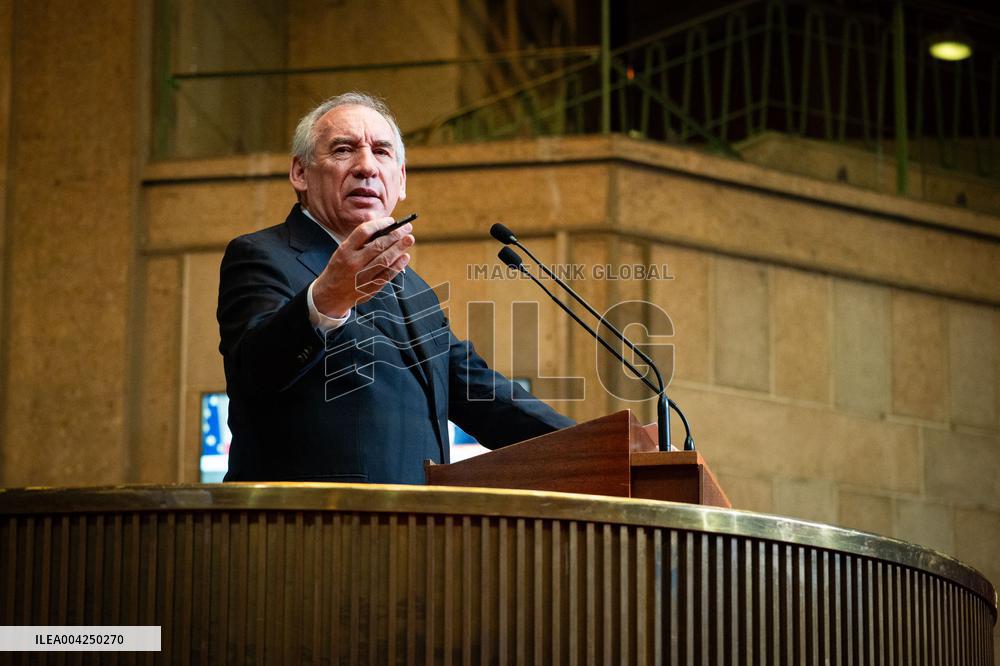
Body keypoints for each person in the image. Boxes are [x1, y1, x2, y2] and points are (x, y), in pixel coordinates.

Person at [217, 91, 574, 483]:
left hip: (417, 528)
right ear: (300, 173)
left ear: (400, 181)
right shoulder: (261, 256)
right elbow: (254, 375)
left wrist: (595, 442)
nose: (366, 166)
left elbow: (478, 393)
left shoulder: (412, 287)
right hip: (310, 526)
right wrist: (326, 300)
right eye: (343, 150)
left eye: (383, 152)